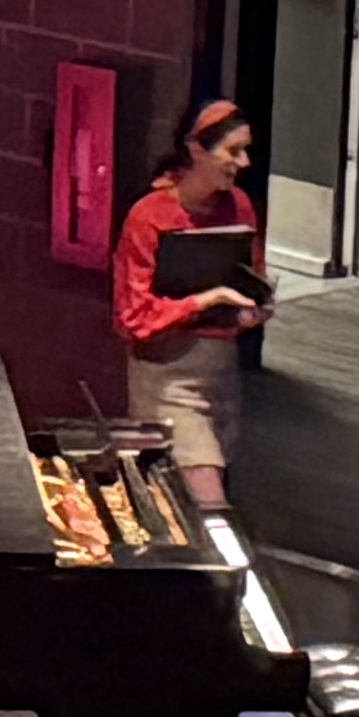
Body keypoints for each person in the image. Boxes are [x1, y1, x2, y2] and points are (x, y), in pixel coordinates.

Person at [113, 98, 274, 510]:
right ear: (197, 148)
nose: (243, 162)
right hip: (168, 380)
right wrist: (205, 300)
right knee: (210, 503)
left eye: (246, 150)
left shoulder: (238, 206)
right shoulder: (150, 216)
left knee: (186, 503)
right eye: (233, 151)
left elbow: (250, 278)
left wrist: (251, 312)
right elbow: (132, 317)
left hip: (220, 378)